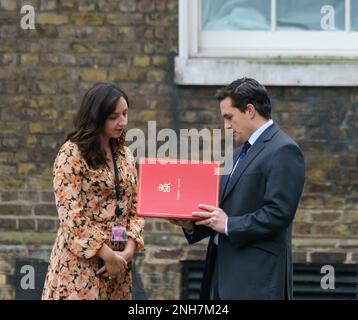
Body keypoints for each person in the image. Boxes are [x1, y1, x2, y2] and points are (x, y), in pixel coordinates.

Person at [170, 77, 305, 300]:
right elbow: (224, 210)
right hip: (221, 278)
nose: (226, 126)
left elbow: (279, 214)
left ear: (250, 110)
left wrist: (229, 224)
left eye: (229, 117)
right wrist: (191, 224)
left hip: (256, 283)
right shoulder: (239, 153)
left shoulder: (284, 150)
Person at [42, 81, 144, 300]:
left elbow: (136, 206)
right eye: (113, 117)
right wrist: (107, 255)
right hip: (81, 266)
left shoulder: (125, 154)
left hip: (118, 267)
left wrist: (127, 252)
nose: (122, 122)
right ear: (96, 117)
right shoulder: (71, 154)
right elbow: (71, 217)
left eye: (125, 114)